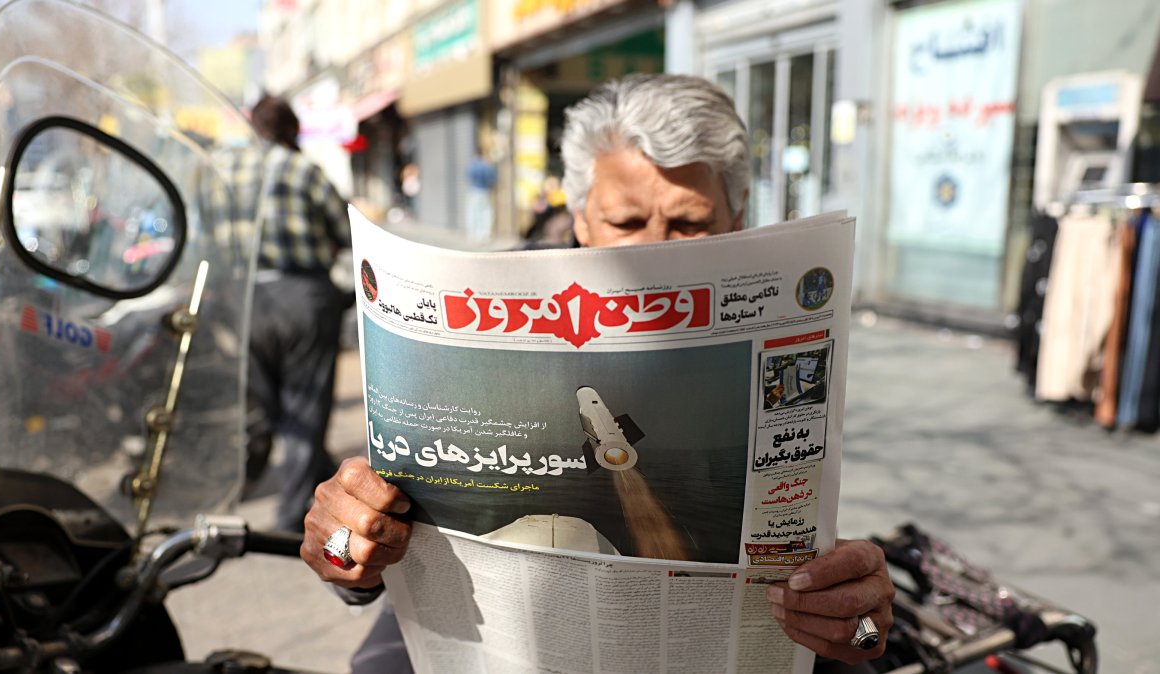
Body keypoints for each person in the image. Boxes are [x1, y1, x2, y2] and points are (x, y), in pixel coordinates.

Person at [301, 74, 894, 671]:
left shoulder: (778, 337)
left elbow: (859, 635)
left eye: (689, 223)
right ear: (581, 218)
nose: (658, 251)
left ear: (738, 215)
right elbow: (354, 563)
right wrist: (341, 544)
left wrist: (861, 625)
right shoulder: (475, 311)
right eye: (628, 224)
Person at [231, 95, 352, 532]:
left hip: (247, 302)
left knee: (270, 403)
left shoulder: (227, 170)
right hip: (303, 298)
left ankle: (312, 476)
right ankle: (290, 515)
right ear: (291, 130)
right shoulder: (303, 170)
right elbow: (345, 228)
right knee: (304, 407)